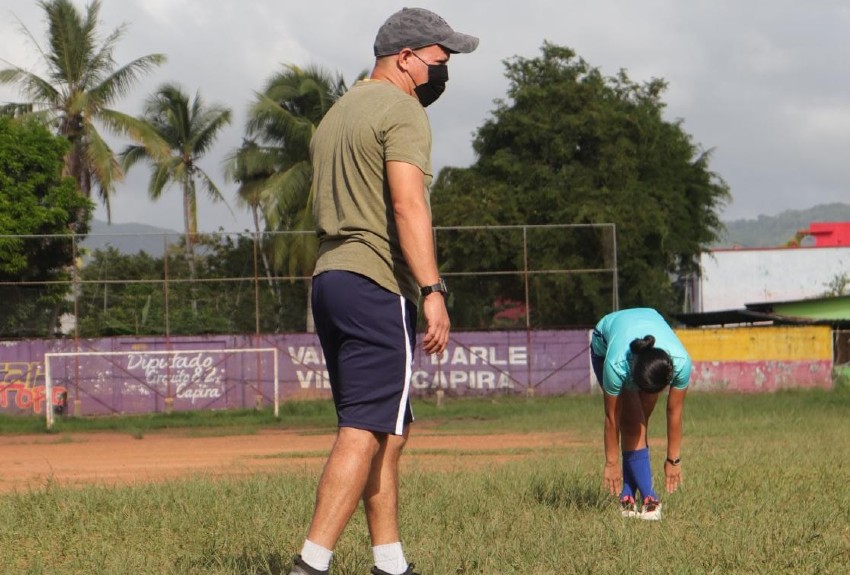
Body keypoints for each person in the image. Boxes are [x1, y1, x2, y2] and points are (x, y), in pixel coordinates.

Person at [287, 8, 478, 575]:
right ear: (407, 57)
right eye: (440, 62)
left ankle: (390, 563)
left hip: (330, 279)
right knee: (367, 427)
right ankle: (310, 564)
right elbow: (406, 203)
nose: (442, 74)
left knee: (391, 428)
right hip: (374, 280)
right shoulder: (402, 109)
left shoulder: (338, 113)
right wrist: (432, 289)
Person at [590, 307, 692, 521]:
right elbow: (611, 418)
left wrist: (673, 460)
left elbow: (674, 412)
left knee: (639, 423)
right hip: (605, 344)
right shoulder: (617, 366)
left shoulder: (680, 361)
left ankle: (627, 494)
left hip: (648, 332)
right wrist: (611, 462)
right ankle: (650, 499)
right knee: (633, 423)